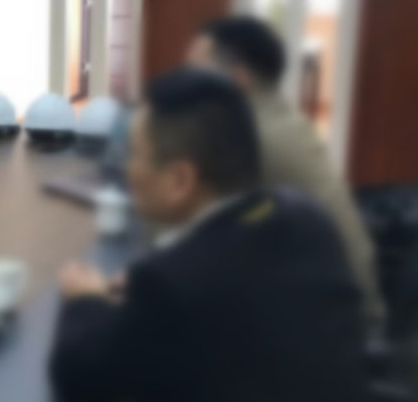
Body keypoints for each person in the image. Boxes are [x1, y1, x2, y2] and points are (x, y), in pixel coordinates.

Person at [49, 69, 365, 402]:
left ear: (179, 181)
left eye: (135, 154)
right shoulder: (310, 220)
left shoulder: (168, 286)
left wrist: (85, 300)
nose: (127, 168)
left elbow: (82, 379)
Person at [187, 16, 384, 329]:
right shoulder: (280, 118)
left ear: (238, 79)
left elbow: (190, 238)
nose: (185, 85)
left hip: (330, 329)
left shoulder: (249, 137)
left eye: (197, 74)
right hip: (345, 308)